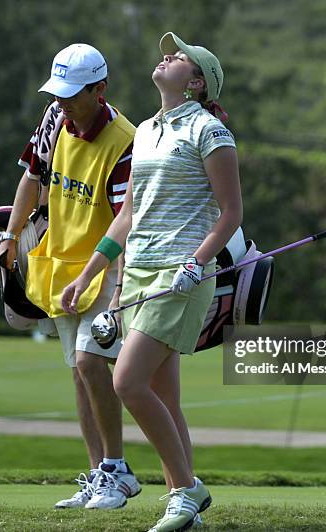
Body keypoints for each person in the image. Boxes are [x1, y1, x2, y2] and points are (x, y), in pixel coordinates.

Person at [61, 32, 242, 532]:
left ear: (198, 82)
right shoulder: (144, 130)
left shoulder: (210, 132)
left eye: (179, 57)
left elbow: (231, 213)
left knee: (126, 381)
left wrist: (196, 262)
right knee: (164, 397)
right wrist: (90, 274)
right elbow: (128, 216)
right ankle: (184, 499)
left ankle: (185, 492)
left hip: (179, 275)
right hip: (138, 272)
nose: (166, 57)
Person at [0, 43, 140, 510]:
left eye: (73, 95)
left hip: (103, 266)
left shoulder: (126, 140)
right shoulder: (53, 119)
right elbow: (32, 179)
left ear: (100, 90)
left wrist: (113, 282)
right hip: (58, 264)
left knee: (91, 362)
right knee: (79, 373)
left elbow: (125, 220)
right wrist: (10, 236)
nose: (63, 103)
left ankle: (118, 472)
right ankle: (98, 473)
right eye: (58, 93)